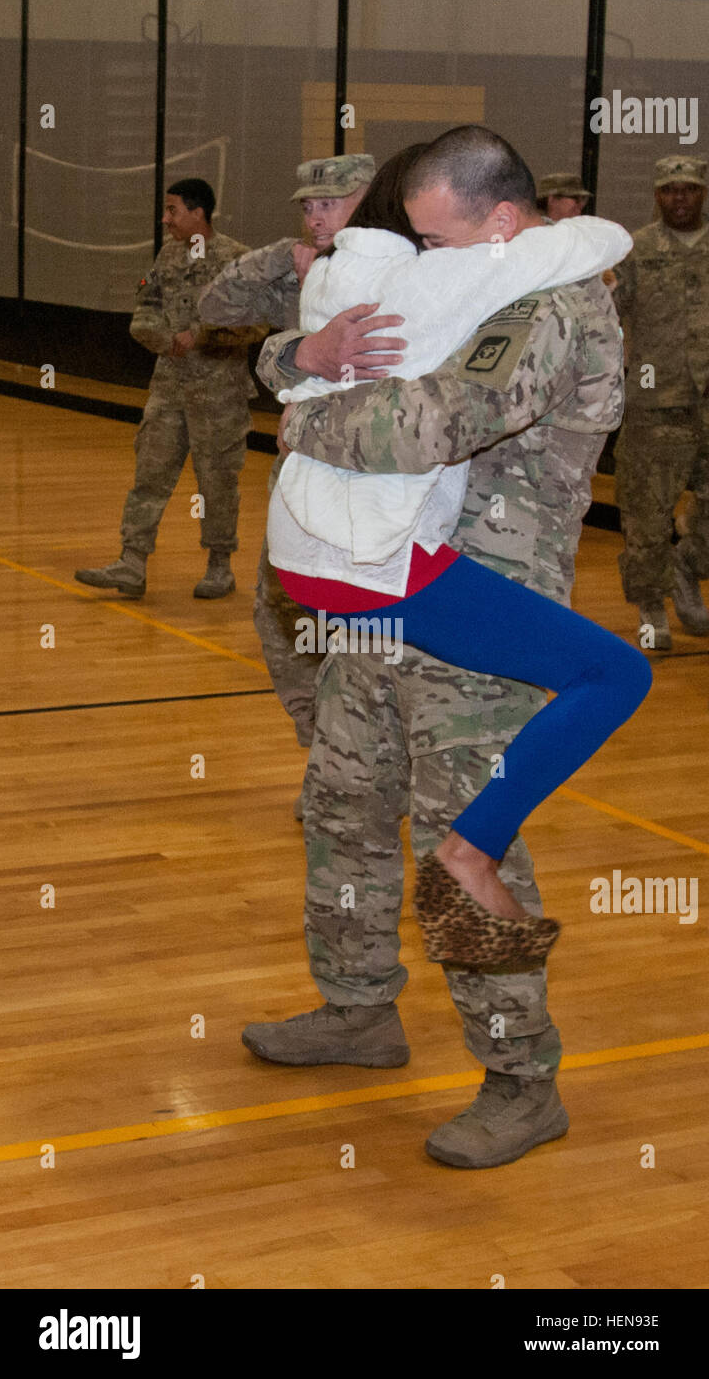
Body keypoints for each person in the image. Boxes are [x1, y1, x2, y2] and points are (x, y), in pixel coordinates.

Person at [243, 126, 641, 1170]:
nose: (421, 254)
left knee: (464, 845)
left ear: (502, 221)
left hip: (486, 622)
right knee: (341, 800)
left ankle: (521, 1077)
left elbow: (428, 426)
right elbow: (315, 334)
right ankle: (359, 1008)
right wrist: (301, 359)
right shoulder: (465, 276)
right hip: (387, 588)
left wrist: (299, 418)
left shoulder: (552, 305)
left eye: (435, 235)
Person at [199, 154, 377, 748]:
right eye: (308, 205)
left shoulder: (411, 269)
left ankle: (365, 763)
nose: (316, 216)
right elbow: (214, 308)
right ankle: (322, 747)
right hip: (301, 470)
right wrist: (280, 260)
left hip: (380, 478)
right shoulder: (301, 270)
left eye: (331, 202)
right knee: (282, 613)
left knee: (369, 629)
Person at [75, 178, 268, 600]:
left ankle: (219, 566)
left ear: (198, 213)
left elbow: (257, 324)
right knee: (149, 475)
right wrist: (163, 339)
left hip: (219, 395)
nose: (166, 220)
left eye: (173, 210)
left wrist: (202, 335)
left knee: (217, 483)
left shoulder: (237, 260)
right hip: (169, 390)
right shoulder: (168, 256)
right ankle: (131, 562)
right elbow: (145, 309)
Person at [612, 154, 709, 650]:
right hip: (657, 404)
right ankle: (651, 606)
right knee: (647, 517)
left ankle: (688, 567)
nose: (679, 198)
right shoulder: (637, 250)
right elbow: (607, 313)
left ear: (702, 193)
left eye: (688, 189)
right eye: (670, 190)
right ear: (657, 194)